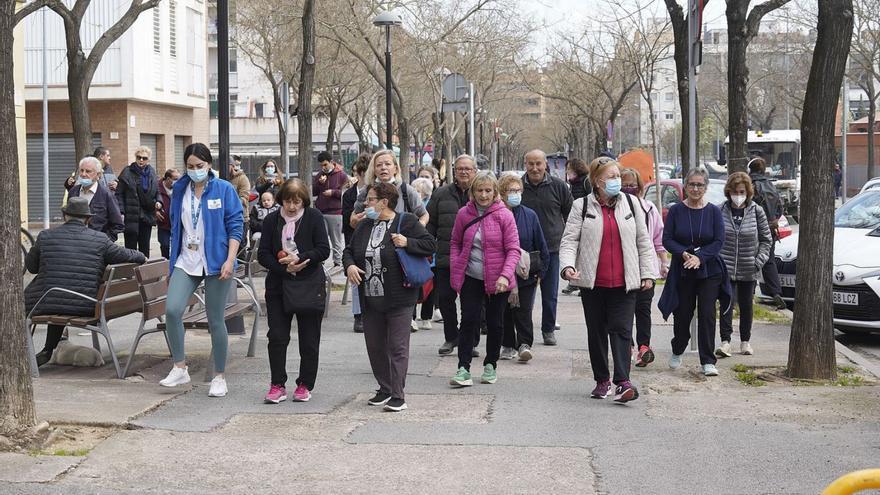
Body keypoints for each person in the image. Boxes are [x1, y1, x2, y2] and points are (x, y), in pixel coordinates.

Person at [559, 157, 656, 403]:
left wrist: (648, 274)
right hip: (592, 282)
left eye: (618, 176)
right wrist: (568, 267)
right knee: (597, 332)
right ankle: (602, 380)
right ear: (597, 180)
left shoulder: (632, 204)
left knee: (622, 330)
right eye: (611, 176)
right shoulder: (582, 206)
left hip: (625, 283)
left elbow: (643, 242)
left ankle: (623, 382)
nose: (616, 181)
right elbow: (570, 240)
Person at [159, 143, 244, 398]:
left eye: (200, 166)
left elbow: (235, 226)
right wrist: (172, 262)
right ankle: (179, 366)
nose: (196, 171)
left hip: (216, 261)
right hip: (187, 260)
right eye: (191, 167)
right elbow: (176, 227)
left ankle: (219, 376)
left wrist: (230, 259)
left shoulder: (224, 189)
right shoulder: (180, 189)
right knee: (172, 310)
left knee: (215, 319)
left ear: (209, 165)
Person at [344, 182, 436, 412]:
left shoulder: (407, 222)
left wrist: (408, 242)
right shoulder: (365, 225)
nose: (367, 203)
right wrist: (350, 267)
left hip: (399, 297)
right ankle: (384, 388)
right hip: (370, 297)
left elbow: (430, 244)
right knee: (375, 347)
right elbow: (348, 251)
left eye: (371, 199)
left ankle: (398, 394)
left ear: (384, 202)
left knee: (397, 346)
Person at [25, 197, 146, 366]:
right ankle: (48, 349)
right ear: (88, 219)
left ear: (64, 216)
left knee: (46, 298)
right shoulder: (100, 240)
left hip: (46, 303)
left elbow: (31, 267)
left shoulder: (46, 236)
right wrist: (141, 255)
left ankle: (42, 351)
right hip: (87, 305)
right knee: (61, 295)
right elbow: (132, 255)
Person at [258, 178, 330, 404]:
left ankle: (305, 384)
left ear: (304, 201)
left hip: (308, 283)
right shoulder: (271, 220)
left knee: (309, 339)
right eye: (288, 201)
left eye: (297, 202)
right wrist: (284, 266)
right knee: (277, 336)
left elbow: (323, 249)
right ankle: (277, 383)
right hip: (279, 284)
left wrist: (302, 259)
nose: (292, 206)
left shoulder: (314, 217)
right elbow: (263, 254)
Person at [448, 172, 521, 388]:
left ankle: (490, 364)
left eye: (488, 190)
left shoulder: (504, 215)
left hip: (498, 279)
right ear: (472, 192)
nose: (483, 194)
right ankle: (463, 367)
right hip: (471, 276)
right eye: (479, 190)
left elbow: (513, 250)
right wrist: (456, 268)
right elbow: (455, 242)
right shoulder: (464, 214)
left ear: (495, 192)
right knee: (469, 319)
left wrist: (505, 276)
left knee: (495, 322)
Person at [658, 168, 731, 377]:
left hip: (709, 270)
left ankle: (708, 360)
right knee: (682, 313)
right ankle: (678, 348)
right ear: (685, 186)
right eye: (692, 184)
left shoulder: (714, 212)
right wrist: (683, 254)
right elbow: (667, 239)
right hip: (683, 270)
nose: (696, 188)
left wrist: (701, 257)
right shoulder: (676, 211)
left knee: (707, 314)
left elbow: (719, 240)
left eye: (700, 185)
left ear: (705, 187)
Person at [716, 172, 772, 358]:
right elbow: (714, 238)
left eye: (741, 191)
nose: (738, 195)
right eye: (734, 191)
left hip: (749, 269)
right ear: (728, 191)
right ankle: (725, 342)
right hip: (726, 269)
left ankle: (745, 342)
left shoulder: (757, 211)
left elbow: (766, 240)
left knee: (746, 306)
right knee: (727, 303)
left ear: (748, 192)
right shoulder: (720, 210)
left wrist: (758, 262)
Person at [427, 155, 478, 355]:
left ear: (475, 171)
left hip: (474, 258)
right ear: (454, 171)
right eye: (459, 169)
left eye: (468, 168)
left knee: (471, 303)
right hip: (446, 257)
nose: (463, 172)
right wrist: (428, 247)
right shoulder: (440, 194)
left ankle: (470, 342)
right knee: (446, 300)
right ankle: (451, 338)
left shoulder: (481, 193)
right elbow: (430, 224)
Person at [521, 149, 573, 345]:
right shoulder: (518, 187)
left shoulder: (559, 187)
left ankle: (548, 329)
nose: (535, 168)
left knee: (550, 294)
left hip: (551, 249)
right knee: (525, 296)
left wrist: (569, 243)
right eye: (531, 164)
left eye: (538, 164)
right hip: (524, 251)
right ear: (525, 164)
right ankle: (524, 334)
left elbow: (571, 215)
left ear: (545, 165)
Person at [620, 167, 668, 367]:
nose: (629, 189)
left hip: (646, 268)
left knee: (643, 310)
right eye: (625, 185)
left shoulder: (649, 209)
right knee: (623, 311)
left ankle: (644, 347)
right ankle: (627, 346)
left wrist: (664, 263)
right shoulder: (616, 209)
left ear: (639, 187)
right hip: (622, 268)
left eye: (632, 185)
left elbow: (658, 239)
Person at [498, 174, 549, 362]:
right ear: (502, 193)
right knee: (505, 310)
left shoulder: (529, 215)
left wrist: (541, 271)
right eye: (511, 191)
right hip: (501, 272)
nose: (516, 194)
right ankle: (507, 344)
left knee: (523, 310)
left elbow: (540, 244)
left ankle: (524, 344)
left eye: (518, 190)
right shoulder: (496, 214)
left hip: (526, 272)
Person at [351, 150, 429, 227]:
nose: (383, 168)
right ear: (374, 170)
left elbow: (424, 214)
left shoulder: (406, 190)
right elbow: (354, 216)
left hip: (400, 237)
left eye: (387, 164)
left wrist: (419, 227)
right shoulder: (367, 190)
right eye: (379, 165)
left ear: (395, 168)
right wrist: (356, 221)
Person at [749, 157, 786, 310]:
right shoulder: (771, 185)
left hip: (753, 228)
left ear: (750, 170)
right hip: (771, 228)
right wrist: (773, 220)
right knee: (768, 261)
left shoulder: (751, 185)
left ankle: (749, 293)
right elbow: (780, 208)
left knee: (750, 260)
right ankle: (776, 292)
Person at [342, 153, 371, 333]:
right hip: (356, 238)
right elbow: (347, 219)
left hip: (375, 239)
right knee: (356, 277)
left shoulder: (378, 191)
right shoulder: (350, 194)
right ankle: (358, 315)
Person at [115, 146, 161, 257]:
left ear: (148, 160)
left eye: (144, 158)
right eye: (138, 157)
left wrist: (159, 201)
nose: (141, 160)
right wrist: (121, 212)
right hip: (131, 216)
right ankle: (131, 272)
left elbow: (157, 191)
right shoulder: (127, 172)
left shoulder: (151, 172)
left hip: (147, 216)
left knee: (144, 248)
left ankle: (143, 272)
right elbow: (119, 194)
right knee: (130, 249)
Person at [67, 156, 124, 241]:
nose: (83, 174)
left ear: (98, 175)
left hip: (97, 245)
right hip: (76, 243)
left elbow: (118, 224)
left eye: (88, 171)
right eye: (81, 170)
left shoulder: (106, 195)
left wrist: (104, 242)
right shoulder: (73, 192)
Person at [312, 151, 349, 269]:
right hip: (321, 211)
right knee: (321, 238)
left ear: (331, 162)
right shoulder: (319, 175)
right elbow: (314, 192)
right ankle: (321, 261)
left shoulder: (342, 175)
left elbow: (346, 193)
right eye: (321, 165)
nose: (323, 167)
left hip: (335, 212)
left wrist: (333, 192)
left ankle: (338, 262)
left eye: (325, 165)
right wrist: (319, 183)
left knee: (336, 238)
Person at [561, 158, 592, 297]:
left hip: (587, 220)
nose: (568, 172)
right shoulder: (572, 184)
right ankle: (574, 281)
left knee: (584, 252)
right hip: (575, 219)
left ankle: (580, 282)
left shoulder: (585, 181)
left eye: (570, 169)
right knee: (575, 252)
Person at [410, 177, 436, 331]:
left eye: (419, 191)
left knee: (430, 287)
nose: (416, 194)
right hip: (413, 250)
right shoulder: (410, 206)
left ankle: (426, 316)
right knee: (412, 284)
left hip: (429, 252)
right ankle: (412, 317)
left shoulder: (430, 208)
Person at [156, 168, 181, 259]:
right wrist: (155, 212)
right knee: (165, 245)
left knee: (177, 246)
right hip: (164, 224)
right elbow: (149, 200)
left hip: (176, 224)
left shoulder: (180, 188)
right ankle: (165, 263)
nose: (177, 181)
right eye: (175, 179)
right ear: (167, 179)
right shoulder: (157, 188)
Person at [228, 155, 252, 242]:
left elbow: (244, 197)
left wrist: (229, 203)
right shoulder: (221, 179)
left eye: (228, 165)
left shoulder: (242, 179)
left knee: (240, 245)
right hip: (225, 218)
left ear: (233, 166)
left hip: (241, 218)